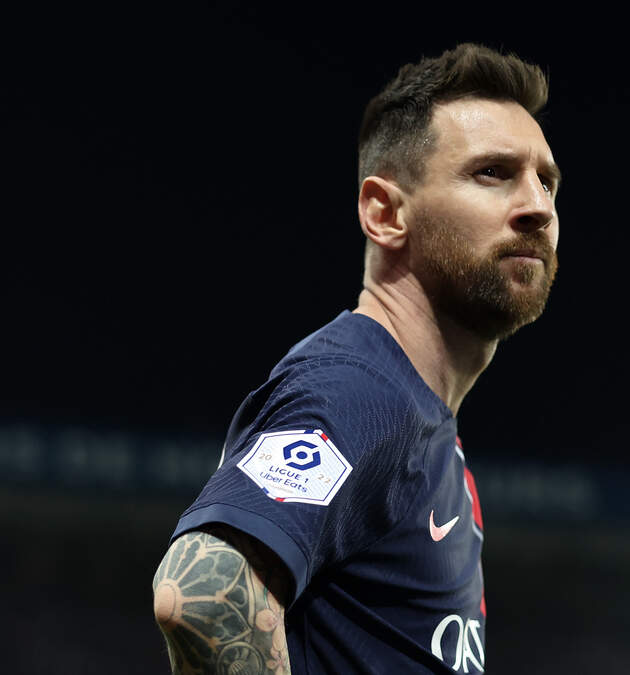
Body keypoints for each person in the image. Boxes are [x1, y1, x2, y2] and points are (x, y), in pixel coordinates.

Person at [151, 43, 560, 674]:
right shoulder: (360, 391)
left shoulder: (419, 421)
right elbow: (205, 596)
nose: (538, 207)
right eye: (492, 173)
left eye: (547, 180)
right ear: (385, 212)